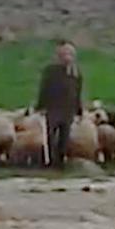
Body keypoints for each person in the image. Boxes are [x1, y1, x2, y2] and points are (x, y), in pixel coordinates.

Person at [36, 40, 84, 169]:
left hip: (68, 110)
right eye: (65, 53)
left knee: (65, 137)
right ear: (59, 55)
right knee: (50, 136)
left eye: (70, 53)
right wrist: (41, 106)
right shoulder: (51, 71)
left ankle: (61, 161)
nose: (67, 56)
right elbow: (44, 89)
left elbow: (77, 92)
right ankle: (50, 161)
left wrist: (79, 110)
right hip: (53, 109)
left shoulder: (76, 73)